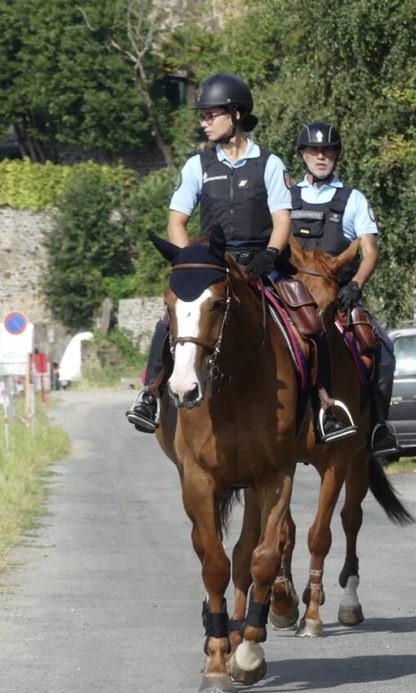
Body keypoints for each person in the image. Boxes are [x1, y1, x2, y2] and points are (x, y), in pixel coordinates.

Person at [125, 74, 355, 443]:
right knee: (168, 324)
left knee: (312, 324)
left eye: (210, 114)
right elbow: (176, 221)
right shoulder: (196, 166)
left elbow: (282, 220)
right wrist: (191, 261)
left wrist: (269, 255)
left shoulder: (269, 163)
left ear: (235, 114)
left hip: (263, 263)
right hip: (214, 266)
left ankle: (324, 405)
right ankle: (151, 394)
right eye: (202, 115)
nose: (203, 121)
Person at [290, 121, 400, 457]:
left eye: (327, 151)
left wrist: (355, 285)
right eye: (314, 151)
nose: (321, 157)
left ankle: (379, 426)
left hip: (338, 298)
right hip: (290, 299)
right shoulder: (285, 196)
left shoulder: (353, 199)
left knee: (383, 350)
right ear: (303, 155)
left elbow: (371, 251)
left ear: (336, 155)